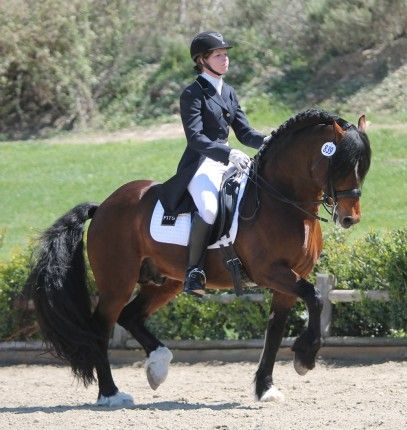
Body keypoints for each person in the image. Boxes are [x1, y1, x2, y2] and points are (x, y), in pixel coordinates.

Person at [160, 31, 270, 296]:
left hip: (228, 162)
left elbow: (244, 133)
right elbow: (196, 138)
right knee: (208, 209)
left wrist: (268, 140)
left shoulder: (229, 91)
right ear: (202, 60)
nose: (225, 60)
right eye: (219, 55)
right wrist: (227, 153)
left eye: (226, 54)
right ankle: (194, 272)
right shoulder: (192, 93)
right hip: (201, 163)